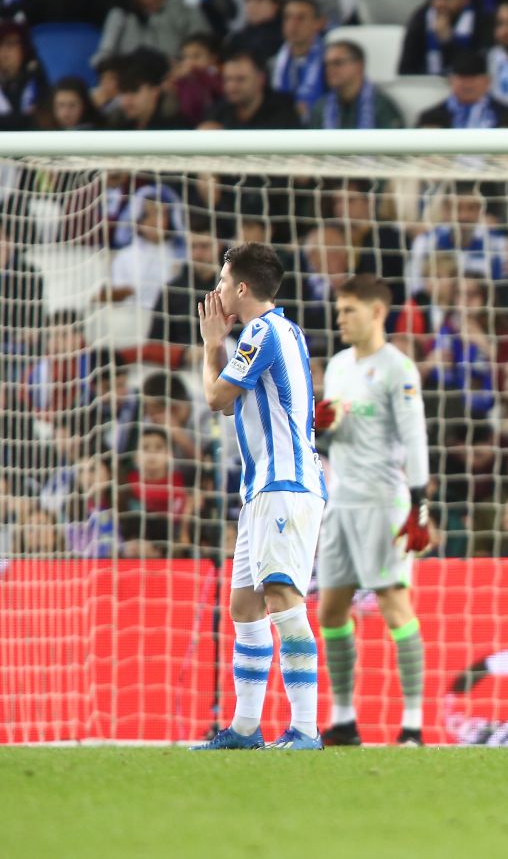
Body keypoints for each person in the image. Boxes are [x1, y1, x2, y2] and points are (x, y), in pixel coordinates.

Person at [192, 242, 327, 750]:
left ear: (242, 288)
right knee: (245, 606)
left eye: (224, 282)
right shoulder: (272, 333)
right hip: (263, 490)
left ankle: (307, 729)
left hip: (284, 486)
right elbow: (232, 407)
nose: (218, 290)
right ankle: (247, 728)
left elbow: (214, 398)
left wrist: (211, 344)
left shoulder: (263, 331)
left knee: (281, 597)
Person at [312, 275, 432, 748]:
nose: (340, 319)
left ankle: (413, 726)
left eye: (349, 311)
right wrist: (322, 428)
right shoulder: (339, 366)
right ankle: (343, 718)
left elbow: (414, 437)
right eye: (339, 311)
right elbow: (331, 434)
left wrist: (420, 504)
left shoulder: (398, 368)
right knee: (331, 610)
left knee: (393, 605)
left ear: (377, 313)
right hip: (341, 502)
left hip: (385, 502)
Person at [400, 0, 492, 76]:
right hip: (427, 88)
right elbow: (405, 69)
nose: (439, 3)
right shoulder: (421, 17)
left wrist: (447, 41)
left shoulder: (482, 19)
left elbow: (475, 70)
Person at [309, 40, 405, 129]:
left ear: (359, 65)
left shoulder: (381, 107)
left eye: (337, 63)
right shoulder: (321, 108)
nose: (330, 69)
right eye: (327, 64)